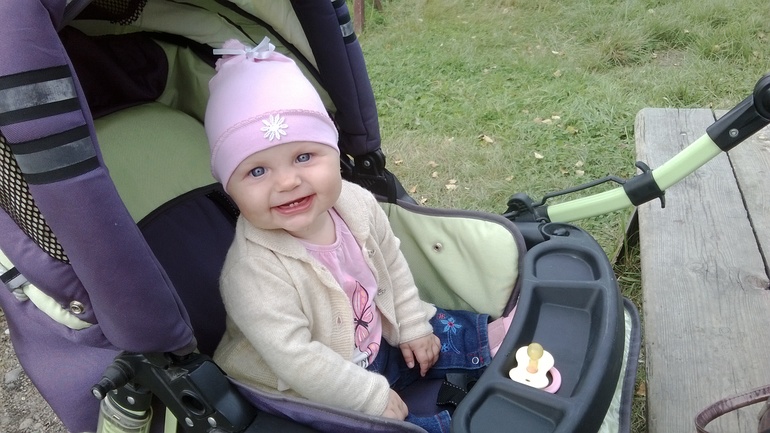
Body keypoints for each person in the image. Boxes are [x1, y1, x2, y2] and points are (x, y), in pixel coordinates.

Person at [206, 38, 513, 432]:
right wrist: (369, 395)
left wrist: (412, 326)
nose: (287, 182)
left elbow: (392, 266)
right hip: (313, 381)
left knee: (438, 326)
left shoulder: (356, 204)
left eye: (304, 157)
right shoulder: (253, 272)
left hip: (373, 338)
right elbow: (298, 359)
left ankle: (488, 343)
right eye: (257, 171)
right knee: (373, 423)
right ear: (229, 189)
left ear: (335, 154)